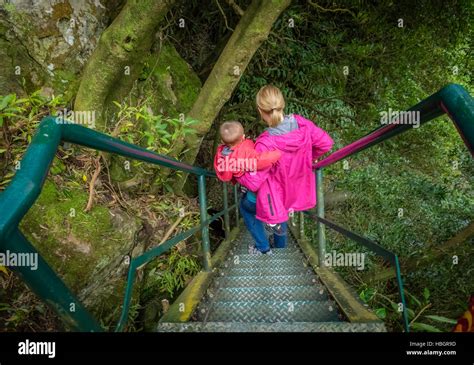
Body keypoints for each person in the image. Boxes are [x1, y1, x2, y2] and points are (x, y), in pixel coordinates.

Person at [237, 85, 333, 253]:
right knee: (281, 208)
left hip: (276, 192)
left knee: (246, 207)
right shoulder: (302, 124)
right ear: (282, 103)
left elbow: (254, 182)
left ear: (260, 110)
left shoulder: (265, 143)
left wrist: (239, 175)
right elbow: (326, 143)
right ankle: (280, 248)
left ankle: (263, 247)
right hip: (296, 189)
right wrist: (307, 159)